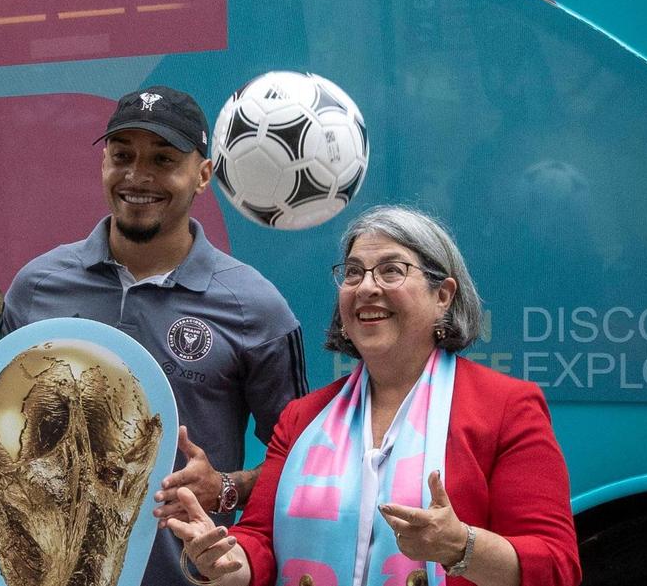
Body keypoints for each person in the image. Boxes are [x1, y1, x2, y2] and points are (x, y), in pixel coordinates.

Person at [0, 85, 308, 586]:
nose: (137, 176)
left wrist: (226, 488)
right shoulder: (37, 286)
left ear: (202, 174)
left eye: (164, 159)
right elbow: (1, 426)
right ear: (103, 164)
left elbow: (302, 464)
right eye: (122, 156)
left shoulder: (255, 308)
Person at [165, 205, 581, 586]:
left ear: (443, 296)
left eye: (391, 271)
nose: (366, 287)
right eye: (353, 272)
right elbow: (259, 539)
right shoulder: (302, 418)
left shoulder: (506, 406)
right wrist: (223, 560)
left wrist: (461, 547)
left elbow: (557, 566)